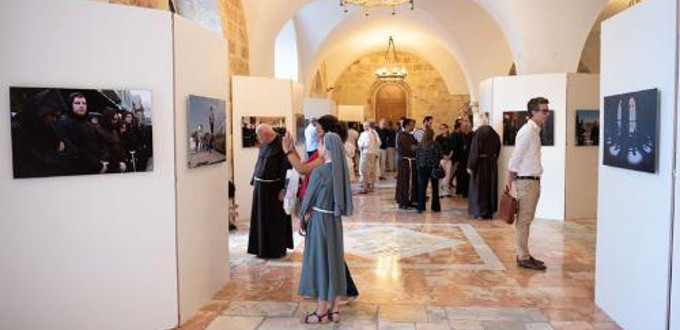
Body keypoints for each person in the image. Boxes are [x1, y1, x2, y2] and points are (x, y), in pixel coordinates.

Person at [282, 129, 354, 324]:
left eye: (320, 144)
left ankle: (321, 310)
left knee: (320, 262)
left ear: (326, 148)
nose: (318, 147)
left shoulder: (320, 172)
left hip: (320, 222)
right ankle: (335, 309)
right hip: (335, 222)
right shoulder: (341, 171)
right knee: (335, 261)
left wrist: (302, 218)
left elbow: (307, 200)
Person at [505, 97, 551, 271]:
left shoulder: (534, 130)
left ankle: (524, 253)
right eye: (544, 110)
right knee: (524, 220)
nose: (547, 114)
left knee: (526, 219)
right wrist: (509, 180)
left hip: (532, 181)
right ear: (533, 112)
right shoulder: (527, 131)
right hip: (527, 182)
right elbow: (516, 157)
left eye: (547, 110)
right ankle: (522, 256)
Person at [247, 124, 294, 258]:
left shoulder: (282, 144)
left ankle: (275, 249)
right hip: (260, 189)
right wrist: (254, 181)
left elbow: (289, 169)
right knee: (260, 219)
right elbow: (259, 163)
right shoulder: (264, 143)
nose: (257, 138)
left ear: (267, 135)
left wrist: (285, 189)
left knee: (275, 221)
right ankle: (261, 249)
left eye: (259, 136)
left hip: (275, 190)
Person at [11, 89, 76, 178]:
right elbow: (38, 160)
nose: (55, 120)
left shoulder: (44, 126)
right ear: (42, 110)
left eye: (58, 116)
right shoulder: (17, 130)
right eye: (53, 115)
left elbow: (65, 145)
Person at [55, 92, 107, 175]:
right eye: (77, 103)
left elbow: (99, 144)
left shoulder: (88, 124)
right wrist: (98, 165)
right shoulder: (64, 123)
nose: (81, 106)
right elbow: (72, 151)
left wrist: (102, 160)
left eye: (84, 103)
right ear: (70, 105)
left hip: (96, 169)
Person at [467, 113, 501, 219]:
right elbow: (498, 150)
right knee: (490, 188)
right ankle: (489, 212)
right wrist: (493, 160)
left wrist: (470, 166)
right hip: (491, 164)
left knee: (479, 189)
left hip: (480, 165)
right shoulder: (494, 133)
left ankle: (480, 212)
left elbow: (474, 151)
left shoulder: (478, 133)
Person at [415, 129, 443, 213]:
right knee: (435, 188)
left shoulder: (420, 145)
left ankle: (421, 207)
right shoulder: (436, 144)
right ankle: (435, 207)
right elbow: (440, 155)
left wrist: (418, 166)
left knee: (422, 188)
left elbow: (417, 157)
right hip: (433, 168)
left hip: (422, 168)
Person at [395, 119, 418, 209]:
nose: (413, 127)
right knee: (404, 182)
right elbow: (412, 148)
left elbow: (417, 146)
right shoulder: (401, 135)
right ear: (407, 126)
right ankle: (403, 202)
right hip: (405, 162)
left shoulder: (411, 136)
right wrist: (416, 147)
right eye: (412, 125)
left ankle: (410, 200)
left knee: (411, 182)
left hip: (411, 162)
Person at [451, 117, 473, 197]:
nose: (465, 125)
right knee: (460, 175)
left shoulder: (473, 135)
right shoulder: (459, 135)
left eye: (466, 122)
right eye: (463, 123)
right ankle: (460, 191)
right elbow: (455, 147)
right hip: (461, 159)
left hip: (469, 158)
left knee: (468, 176)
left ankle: (468, 192)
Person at [357, 121, 379, 194]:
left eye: (366, 126)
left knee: (364, 171)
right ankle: (372, 187)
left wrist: (360, 146)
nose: (364, 127)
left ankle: (365, 188)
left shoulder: (365, 134)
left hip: (366, 153)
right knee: (371, 170)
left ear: (369, 126)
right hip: (372, 153)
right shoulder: (373, 133)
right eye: (364, 126)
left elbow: (364, 144)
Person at [435, 123, 453, 197]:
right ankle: (440, 191)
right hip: (441, 159)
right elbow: (437, 149)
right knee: (441, 174)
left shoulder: (450, 138)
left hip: (449, 158)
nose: (442, 130)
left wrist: (449, 156)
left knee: (448, 175)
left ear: (447, 129)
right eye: (441, 129)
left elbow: (452, 149)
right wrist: (443, 156)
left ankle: (446, 190)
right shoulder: (438, 138)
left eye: (443, 128)